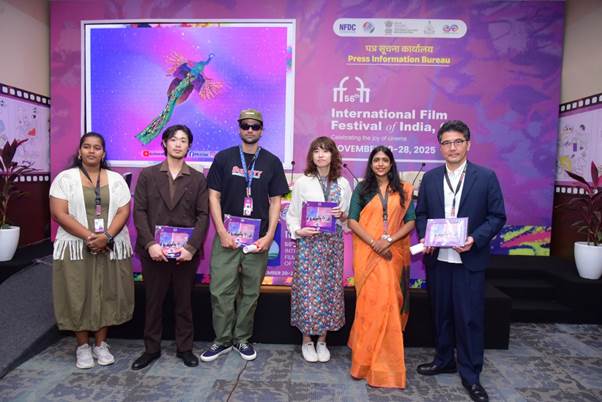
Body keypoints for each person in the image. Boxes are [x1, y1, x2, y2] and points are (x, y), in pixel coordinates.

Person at [415, 120, 506, 402]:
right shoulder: (430, 178)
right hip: (439, 260)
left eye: (457, 142)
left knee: (469, 319)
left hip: (469, 260)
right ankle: (444, 360)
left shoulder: (486, 177)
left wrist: (475, 239)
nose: (452, 148)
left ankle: (471, 375)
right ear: (440, 147)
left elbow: (497, 216)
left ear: (468, 144)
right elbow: (421, 214)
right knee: (441, 314)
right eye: (446, 143)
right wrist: (426, 236)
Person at [201, 109, 289, 362]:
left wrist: (269, 236)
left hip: (257, 240)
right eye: (246, 126)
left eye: (255, 126)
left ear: (262, 130)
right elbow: (213, 196)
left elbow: (276, 201)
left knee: (250, 293)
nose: (250, 130)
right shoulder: (224, 158)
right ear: (239, 128)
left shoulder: (272, 162)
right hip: (227, 237)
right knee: (220, 291)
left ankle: (241, 339)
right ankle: (222, 340)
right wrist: (221, 231)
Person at [49, 132, 134, 369]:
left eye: (97, 147)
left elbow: (123, 211)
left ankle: (101, 344)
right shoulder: (65, 179)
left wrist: (106, 237)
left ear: (103, 153)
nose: (91, 151)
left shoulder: (116, 180)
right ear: (79, 151)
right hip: (77, 246)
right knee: (78, 293)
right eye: (87, 147)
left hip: (109, 246)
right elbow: (59, 213)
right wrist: (90, 237)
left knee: (106, 292)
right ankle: (82, 346)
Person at [131, 124, 209, 370]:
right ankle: (151, 349)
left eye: (183, 140)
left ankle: (185, 348)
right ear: (164, 143)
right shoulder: (148, 175)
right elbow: (139, 211)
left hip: (185, 253)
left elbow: (203, 215)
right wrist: (150, 244)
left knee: (184, 303)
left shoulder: (197, 178)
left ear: (189, 146)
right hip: (154, 252)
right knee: (153, 302)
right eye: (174, 139)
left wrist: (191, 247)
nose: (178, 144)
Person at [347, 145, 415, 388]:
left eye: (385, 160)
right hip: (369, 254)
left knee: (389, 305)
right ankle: (364, 362)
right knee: (370, 307)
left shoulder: (403, 189)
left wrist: (389, 240)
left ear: (391, 163)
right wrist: (375, 244)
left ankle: (387, 366)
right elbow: (352, 220)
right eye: (376, 160)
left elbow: (410, 222)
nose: (380, 164)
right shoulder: (363, 189)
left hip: (392, 254)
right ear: (371, 163)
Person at [285, 136, 352, 362]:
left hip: (332, 246)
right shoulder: (303, 182)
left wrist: (343, 215)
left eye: (325, 150)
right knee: (307, 292)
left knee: (329, 291)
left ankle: (322, 340)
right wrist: (299, 230)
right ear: (311, 156)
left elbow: (349, 220)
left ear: (333, 155)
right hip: (309, 246)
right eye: (316, 151)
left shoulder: (343, 184)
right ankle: (306, 340)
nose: (320, 155)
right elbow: (292, 215)